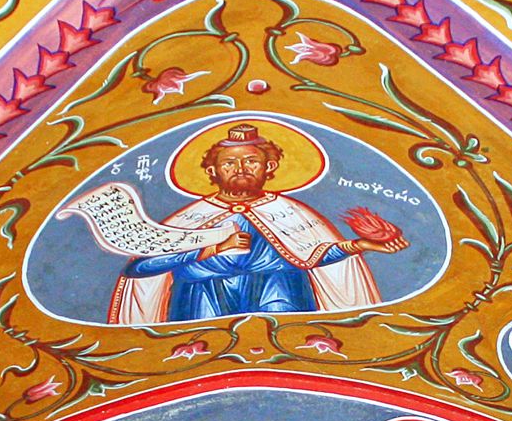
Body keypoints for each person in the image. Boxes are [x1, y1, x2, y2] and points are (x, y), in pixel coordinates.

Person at [108, 123, 400, 322]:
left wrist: (360, 244)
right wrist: (210, 249)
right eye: (229, 163)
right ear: (212, 170)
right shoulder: (191, 218)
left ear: (269, 167)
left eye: (251, 161)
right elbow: (140, 267)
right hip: (203, 300)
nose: (240, 169)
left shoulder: (289, 212)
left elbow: (313, 255)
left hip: (279, 294)